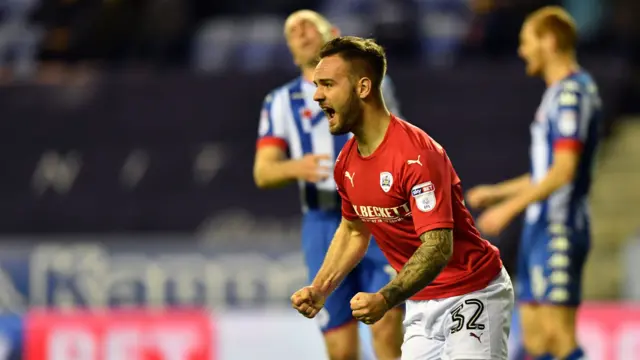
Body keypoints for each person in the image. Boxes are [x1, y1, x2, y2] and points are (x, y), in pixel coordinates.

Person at [291, 35, 514, 360]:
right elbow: (353, 231)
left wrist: (385, 298)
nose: (317, 95)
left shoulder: (416, 155)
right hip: (421, 303)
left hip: (472, 291)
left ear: (363, 88)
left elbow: (438, 246)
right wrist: (321, 288)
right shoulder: (347, 163)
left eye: (327, 84)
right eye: (317, 85)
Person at [253, 10, 403, 360]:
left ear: (332, 34)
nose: (301, 32)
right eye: (292, 31)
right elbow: (263, 172)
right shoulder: (280, 102)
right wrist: (296, 166)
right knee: (341, 348)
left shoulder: (370, 83)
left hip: (377, 216)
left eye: (309, 25)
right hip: (323, 223)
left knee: (385, 327)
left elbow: (395, 139)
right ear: (290, 49)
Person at [466, 6, 601, 360]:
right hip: (540, 226)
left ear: (550, 41)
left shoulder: (573, 93)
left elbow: (563, 171)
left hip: (560, 225)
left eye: (526, 42)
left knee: (559, 337)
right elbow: (545, 171)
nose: (521, 51)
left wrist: (509, 208)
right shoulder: (555, 94)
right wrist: (498, 192)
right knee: (536, 339)